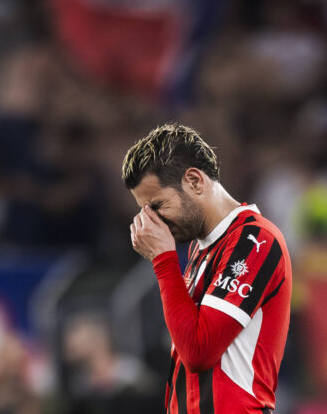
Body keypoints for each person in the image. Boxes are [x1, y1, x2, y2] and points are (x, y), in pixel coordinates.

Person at [123, 124, 292, 414]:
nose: (154, 222)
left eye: (158, 206)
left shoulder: (256, 240)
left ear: (194, 181)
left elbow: (198, 352)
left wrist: (163, 260)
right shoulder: (201, 249)